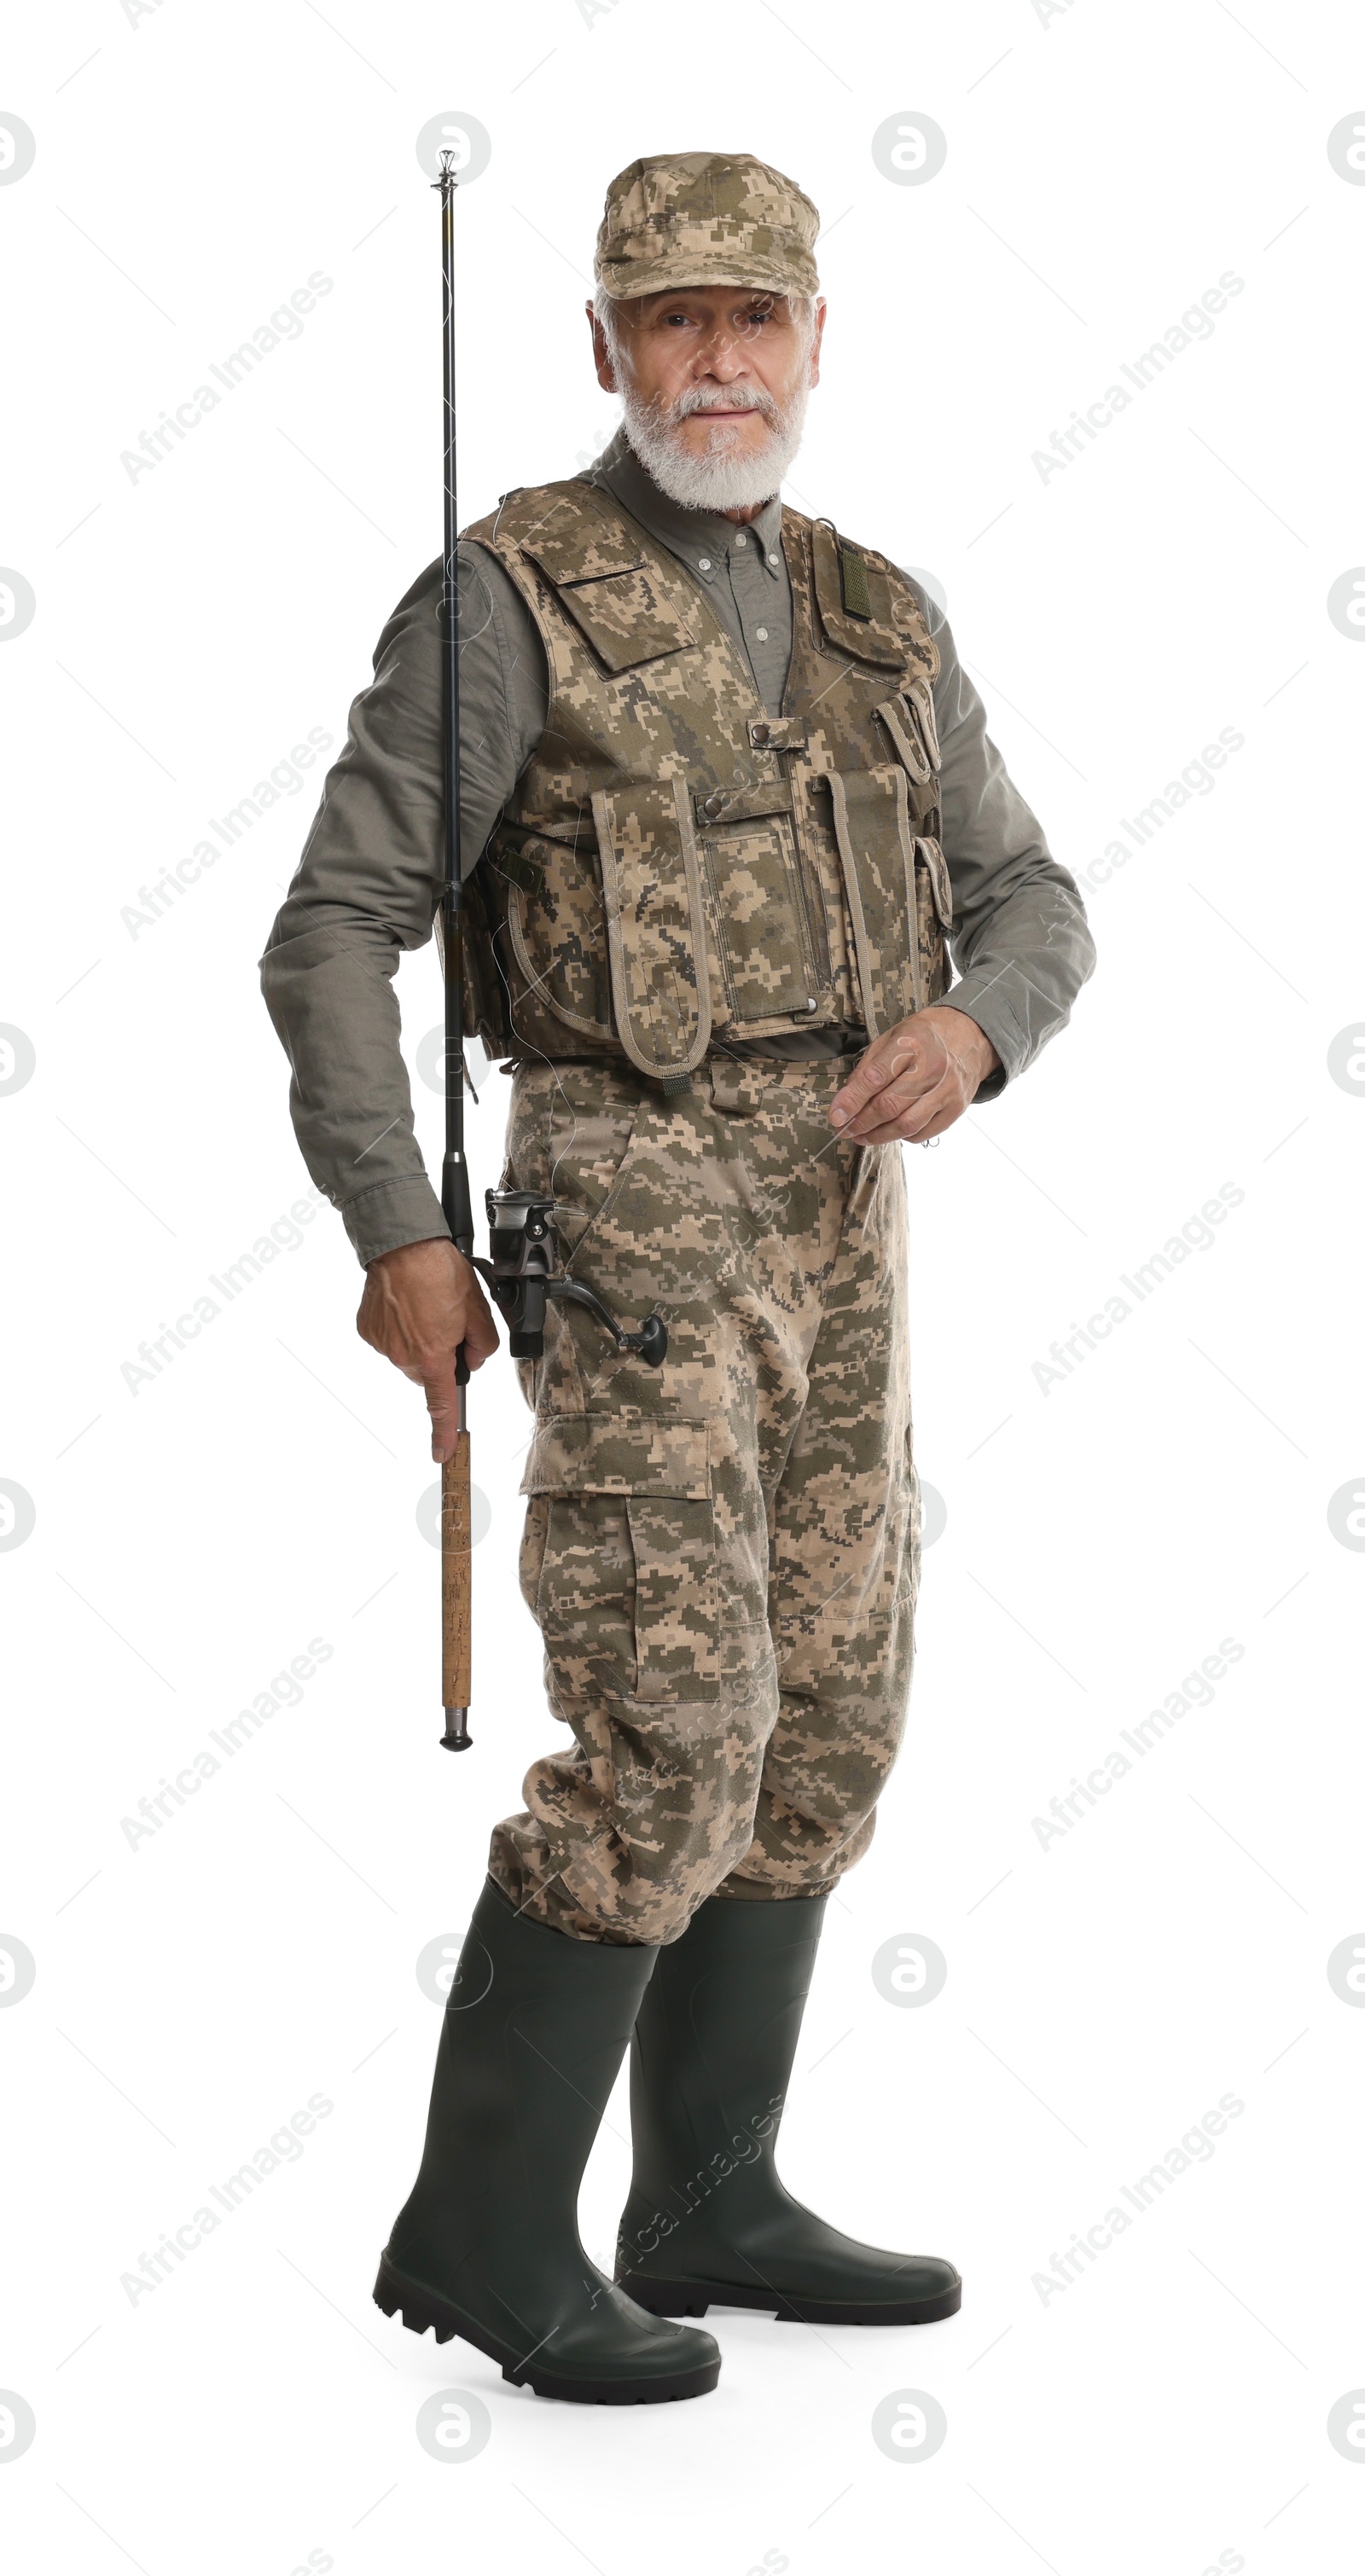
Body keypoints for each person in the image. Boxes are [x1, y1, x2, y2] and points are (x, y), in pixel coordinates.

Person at [260, 150, 1095, 2405]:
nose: (714, 360)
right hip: (634, 1239)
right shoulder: (506, 600)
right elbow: (334, 929)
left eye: (754, 318)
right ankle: (479, 2227)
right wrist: (400, 1233)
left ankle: (706, 2189)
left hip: (847, 1237)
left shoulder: (882, 620)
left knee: (827, 1725)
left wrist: (979, 1022)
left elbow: (1032, 896)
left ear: (820, 341)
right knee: (674, 1733)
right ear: (605, 345)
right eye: (669, 320)